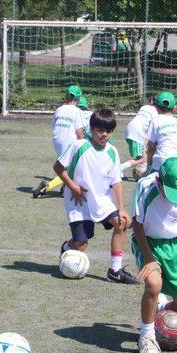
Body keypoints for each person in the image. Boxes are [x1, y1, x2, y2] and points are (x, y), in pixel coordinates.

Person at [54, 108, 140, 284]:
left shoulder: (112, 151)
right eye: (100, 130)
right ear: (91, 129)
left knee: (122, 223)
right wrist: (72, 186)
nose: (105, 134)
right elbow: (58, 167)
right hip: (79, 202)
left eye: (108, 131)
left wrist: (121, 208)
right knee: (82, 245)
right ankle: (67, 246)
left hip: (102, 201)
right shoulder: (79, 146)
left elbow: (116, 180)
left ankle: (115, 271)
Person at [130, 157, 177, 353]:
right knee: (153, 284)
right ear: (159, 181)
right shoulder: (145, 186)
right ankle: (147, 336)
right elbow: (137, 223)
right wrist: (149, 258)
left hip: (175, 246)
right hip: (149, 243)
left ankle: (158, 308)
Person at [32, 85, 87, 198]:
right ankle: (47, 186)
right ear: (79, 98)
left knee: (67, 166)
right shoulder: (77, 111)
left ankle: (65, 186)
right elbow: (80, 132)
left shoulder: (59, 109)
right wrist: (84, 146)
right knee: (73, 167)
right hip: (70, 141)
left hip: (57, 141)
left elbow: (54, 126)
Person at [144, 91, 177, 173]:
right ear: (174, 108)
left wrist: (149, 166)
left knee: (146, 184)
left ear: (156, 107)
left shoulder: (155, 121)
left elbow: (150, 147)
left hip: (163, 164)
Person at [119, 97, 158, 179]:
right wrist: (147, 144)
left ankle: (122, 173)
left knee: (139, 157)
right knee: (143, 159)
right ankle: (118, 169)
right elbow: (151, 130)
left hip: (130, 129)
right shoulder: (156, 113)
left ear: (151, 101)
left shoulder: (144, 107)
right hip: (137, 132)